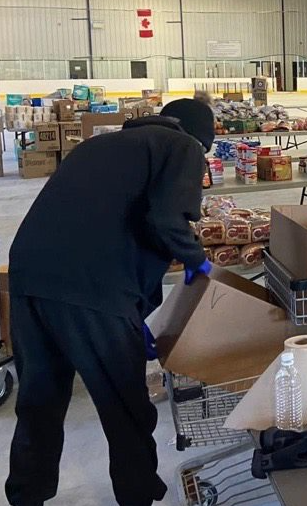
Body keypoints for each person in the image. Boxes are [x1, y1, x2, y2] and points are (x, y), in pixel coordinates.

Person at [6, 98, 216, 506]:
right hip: (92, 285)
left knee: (40, 399)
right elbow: (166, 219)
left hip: (29, 276)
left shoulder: (103, 146)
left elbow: (110, 226)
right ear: (199, 135)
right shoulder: (183, 147)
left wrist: (136, 317)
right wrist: (199, 263)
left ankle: (26, 495)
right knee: (124, 402)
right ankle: (137, 493)